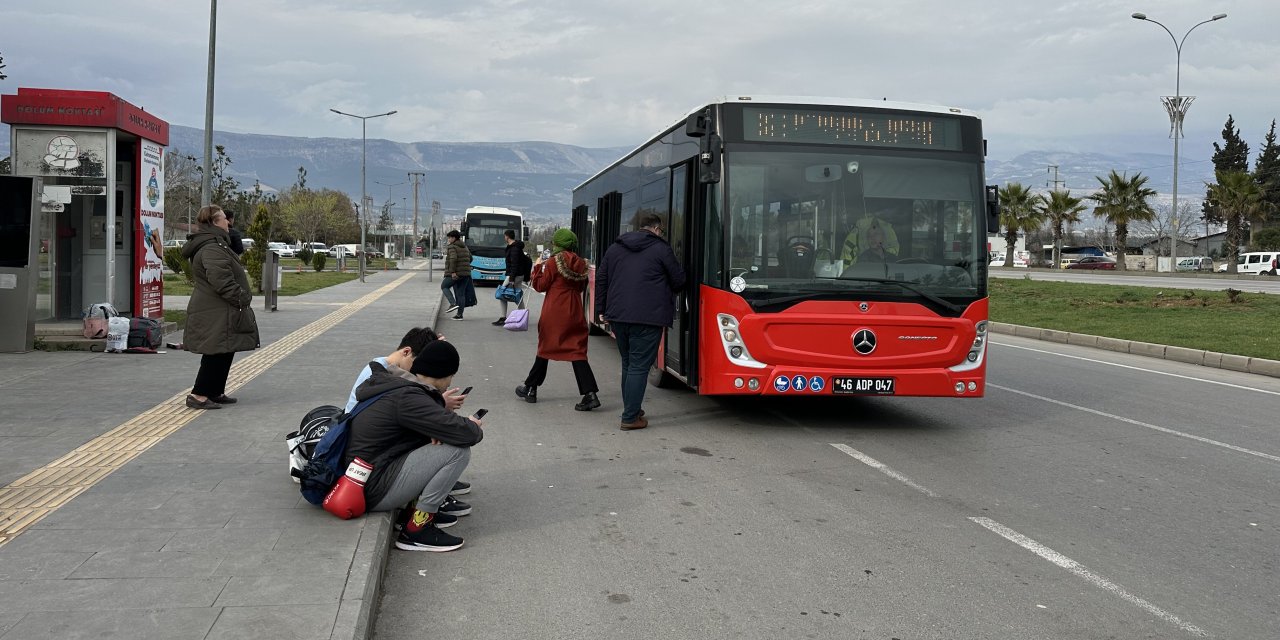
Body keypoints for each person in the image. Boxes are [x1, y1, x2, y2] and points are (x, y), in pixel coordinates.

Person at [345, 340, 484, 552]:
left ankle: (412, 515)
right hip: (370, 489)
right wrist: (472, 425)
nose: (450, 382)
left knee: (439, 442)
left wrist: (433, 432)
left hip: (364, 478)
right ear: (443, 373)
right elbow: (466, 433)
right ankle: (417, 530)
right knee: (457, 451)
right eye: (451, 375)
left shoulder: (399, 385)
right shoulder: (409, 397)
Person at [594, 213, 686, 430]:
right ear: (655, 229)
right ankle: (630, 417)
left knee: (628, 362)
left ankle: (632, 407)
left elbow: (602, 279)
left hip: (617, 315)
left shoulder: (615, 248)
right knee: (638, 366)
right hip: (648, 316)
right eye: (661, 231)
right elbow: (679, 280)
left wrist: (600, 309)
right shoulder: (661, 249)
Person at [181, 205, 260, 410]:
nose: (228, 222)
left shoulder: (216, 244)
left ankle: (215, 391)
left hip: (220, 308)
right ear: (215, 222)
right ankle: (199, 394)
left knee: (225, 349)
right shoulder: (211, 247)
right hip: (215, 309)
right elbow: (220, 279)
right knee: (215, 352)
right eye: (224, 219)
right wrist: (240, 297)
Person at [514, 229, 600, 411]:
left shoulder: (554, 262)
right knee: (577, 351)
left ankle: (531, 389)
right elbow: (581, 287)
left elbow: (540, 285)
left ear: (558, 244)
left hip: (555, 310)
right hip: (575, 309)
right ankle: (590, 394)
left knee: (545, 348)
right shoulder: (581, 264)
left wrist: (537, 267)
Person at [493, 229, 532, 326]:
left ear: (507, 236)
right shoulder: (516, 247)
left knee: (501, 294)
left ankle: (503, 317)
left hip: (514, 275)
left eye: (505, 236)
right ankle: (523, 316)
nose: (504, 238)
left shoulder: (514, 248)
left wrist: (511, 279)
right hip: (518, 274)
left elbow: (514, 264)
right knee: (518, 295)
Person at [443, 230, 473, 320]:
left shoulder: (452, 247)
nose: (448, 239)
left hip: (456, 274)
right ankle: (459, 315)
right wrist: (465, 266)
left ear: (454, 238)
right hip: (466, 274)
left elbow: (453, 259)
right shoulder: (465, 246)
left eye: (449, 238)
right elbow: (471, 258)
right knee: (461, 294)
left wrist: (452, 272)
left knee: (444, 286)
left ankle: (453, 303)